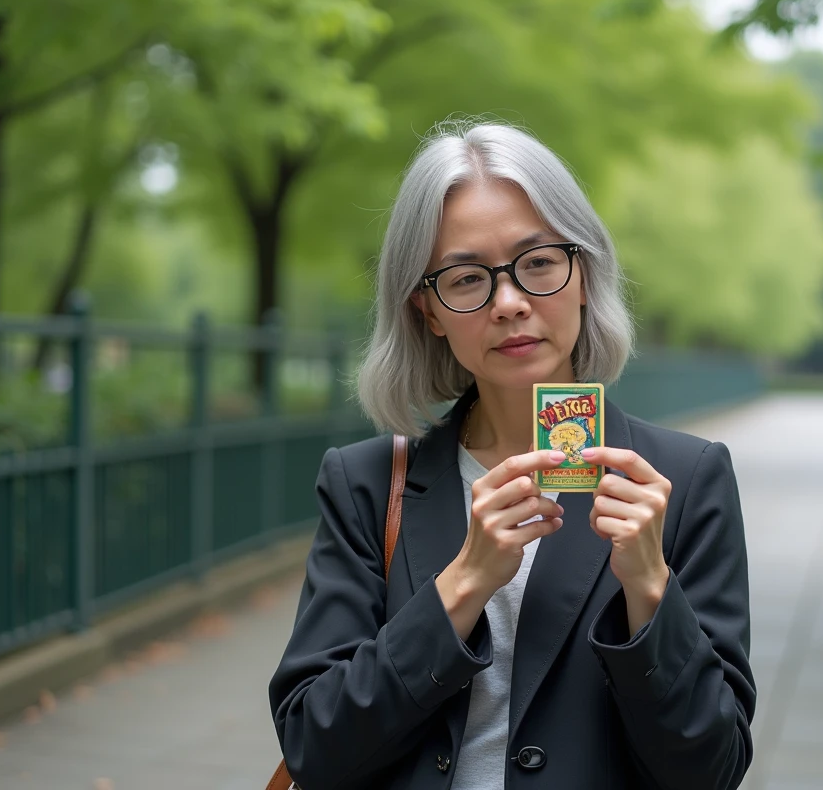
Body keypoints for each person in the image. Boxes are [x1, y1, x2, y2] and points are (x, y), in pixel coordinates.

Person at [267, 119, 755, 789]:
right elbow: (313, 745)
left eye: (539, 263)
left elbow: (712, 769)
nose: (510, 302)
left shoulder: (684, 481)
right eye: (467, 279)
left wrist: (649, 589)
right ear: (427, 311)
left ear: (583, 274)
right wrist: (464, 582)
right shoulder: (367, 484)